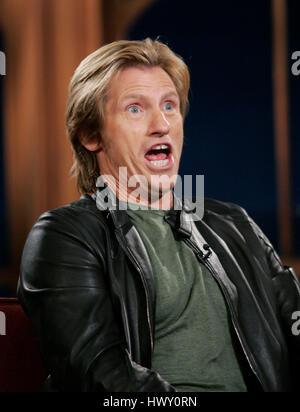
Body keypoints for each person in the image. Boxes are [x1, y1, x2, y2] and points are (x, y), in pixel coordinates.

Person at [18, 38, 300, 392]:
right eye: (135, 109)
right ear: (90, 134)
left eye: (169, 106)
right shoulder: (63, 237)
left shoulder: (234, 224)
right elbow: (102, 378)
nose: (161, 124)